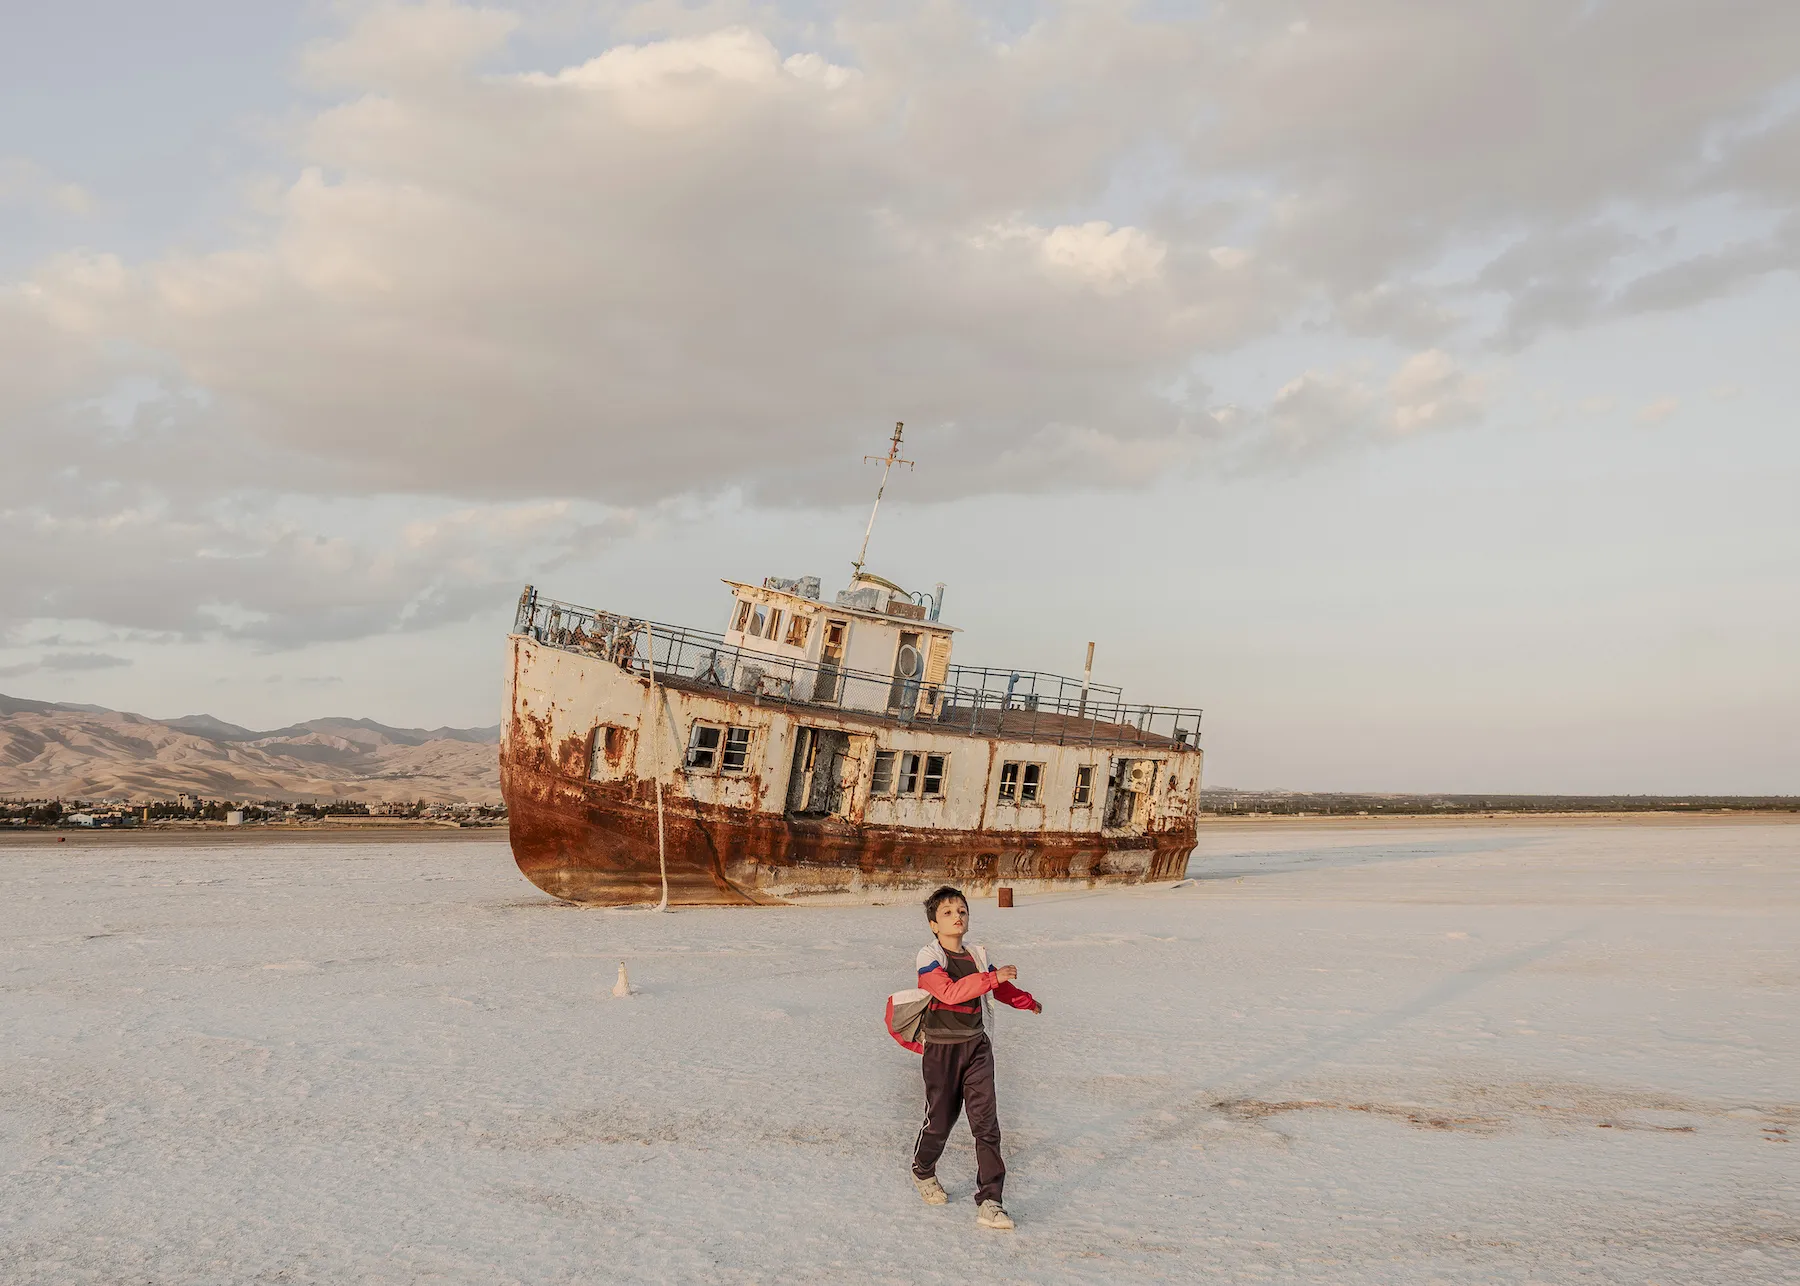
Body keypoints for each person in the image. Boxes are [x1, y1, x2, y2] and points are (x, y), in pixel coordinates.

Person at [908, 885, 1041, 1230]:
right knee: (940, 1121)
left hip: (977, 1047)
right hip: (941, 1050)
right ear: (934, 924)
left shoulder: (978, 956)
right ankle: (923, 1170)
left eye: (963, 911)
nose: (958, 917)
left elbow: (1000, 988)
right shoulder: (929, 957)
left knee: (986, 1125)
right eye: (948, 912)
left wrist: (1027, 1001)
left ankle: (991, 1201)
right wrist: (992, 977)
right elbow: (949, 992)